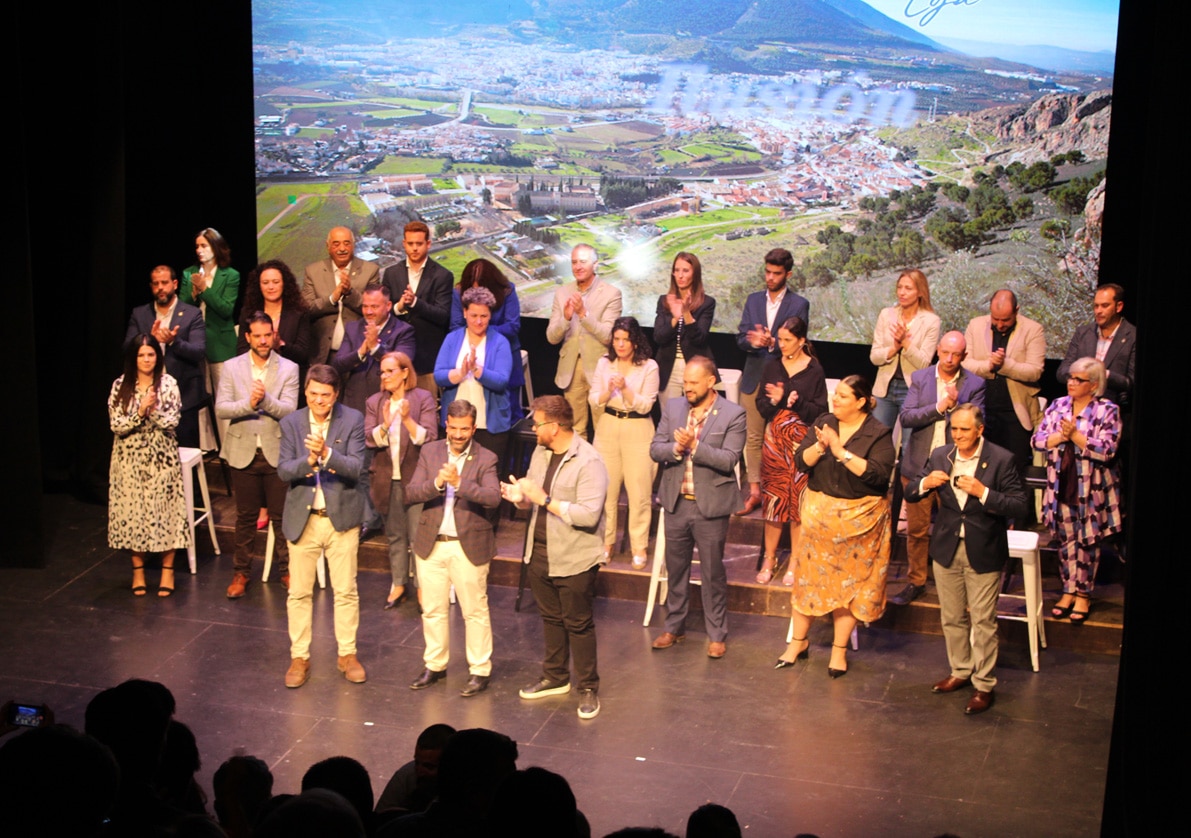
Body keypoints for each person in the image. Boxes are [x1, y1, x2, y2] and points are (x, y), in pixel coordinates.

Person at [904, 404, 1029, 715]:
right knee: (951, 616)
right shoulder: (941, 455)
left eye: (963, 429)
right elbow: (910, 491)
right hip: (947, 547)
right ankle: (960, 670)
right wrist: (925, 483)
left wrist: (983, 492)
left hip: (983, 548)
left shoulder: (1001, 459)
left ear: (979, 430)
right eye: (954, 429)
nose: (957, 435)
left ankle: (983, 684)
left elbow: (1019, 505)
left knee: (983, 621)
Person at [778, 375, 894, 677]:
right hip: (820, 520)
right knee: (808, 583)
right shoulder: (825, 420)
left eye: (843, 396)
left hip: (859, 523)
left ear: (861, 402)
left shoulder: (878, 433)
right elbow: (802, 462)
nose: (836, 400)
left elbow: (879, 477)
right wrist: (820, 446)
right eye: (836, 394)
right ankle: (798, 643)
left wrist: (841, 452)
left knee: (849, 588)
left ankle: (838, 651)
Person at [502, 396, 608, 719]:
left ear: (555, 426)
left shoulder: (588, 461)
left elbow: (589, 515)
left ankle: (588, 687)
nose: (533, 428)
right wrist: (520, 498)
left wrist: (544, 499)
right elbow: (532, 499)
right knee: (550, 618)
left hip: (575, 555)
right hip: (540, 550)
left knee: (578, 622)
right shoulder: (540, 452)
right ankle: (555, 675)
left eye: (537, 423)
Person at [650, 357, 747, 658]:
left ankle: (716, 633)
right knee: (676, 569)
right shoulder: (675, 407)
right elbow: (656, 448)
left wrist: (695, 446)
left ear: (710, 381)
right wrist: (676, 448)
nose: (687, 387)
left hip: (710, 507)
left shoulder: (734, 413)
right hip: (677, 503)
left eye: (693, 382)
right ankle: (674, 626)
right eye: (685, 382)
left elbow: (729, 459)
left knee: (712, 572)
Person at [278, 365, 367, 688]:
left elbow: (357, 467)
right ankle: (299, 657)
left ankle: (347, 654)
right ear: (305, 392)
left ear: (336, 395)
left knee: (345, 591)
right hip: (303, 520)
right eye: (313, 394)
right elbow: (285, 470)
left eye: (325, 395)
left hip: (340, 518)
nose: (319, 400)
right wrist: (309, 462)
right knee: (299, 593)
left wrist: (327, 454)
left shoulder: (352, 420)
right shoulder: (291, 422)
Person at [404, 400, 501, 696]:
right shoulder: (430, 451)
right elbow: (410, 493)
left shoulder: (486, 458)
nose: (458, 434)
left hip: (467, 545)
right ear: (447, 424)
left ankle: (479, 670)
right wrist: (436, 483)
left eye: (465, 429)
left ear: (473, 428)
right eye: (454, 428)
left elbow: (493, 497)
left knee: (474, 611)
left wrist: (459, 484)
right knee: (432, 609)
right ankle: (435, 664)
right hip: (432, 543)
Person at [890, 331, 986, 605]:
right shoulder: (921, 379)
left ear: (964, 356)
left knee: (955, 529)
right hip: (919, 465)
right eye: (945, 352)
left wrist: (955, 409)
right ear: (938, 351)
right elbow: (907, 416)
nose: (949, 359)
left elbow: (978, 425)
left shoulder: (974, 383)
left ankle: (953, 585)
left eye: (956, 354)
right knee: (917, 530)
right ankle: (916, 581)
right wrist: (939, 407)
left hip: (955, 471)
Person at [216, 312, 300, 599]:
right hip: (243, 450)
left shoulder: (289, 368)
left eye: (268, 335)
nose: (264, 341)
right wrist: (249, 404)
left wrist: (265, 401)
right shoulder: (231, 367)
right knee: (245, 517)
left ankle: (287, 570)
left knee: (281, 516)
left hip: (277, 449)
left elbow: (289, 410)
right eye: (258, 336)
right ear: (248, 337)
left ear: (274, 335)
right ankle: (241, 573)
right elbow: (222, 408)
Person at [1033, 357, 1123, 624]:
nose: (1070, 382)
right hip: (1060, 484)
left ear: (1093, 384)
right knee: (1065, 539)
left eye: (1077, 379)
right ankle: (1068, 590)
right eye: (1070, 378)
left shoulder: (1107, 410)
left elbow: (1107, 450)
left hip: (1091, 487)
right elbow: (1037, 440)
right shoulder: (1058, 406)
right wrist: (1061, 436)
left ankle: (1083, 594)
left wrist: (1076, 436)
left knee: (1087, 542)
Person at [108, 335, 190, 596]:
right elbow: (116, 425)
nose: (146, 359)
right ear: (134, 358)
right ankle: (138, 571)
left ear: (158, 356)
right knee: (134, 514)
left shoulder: (168, 384)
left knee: (166, 512)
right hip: (128, 461)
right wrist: (138, 412)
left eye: (151, 354)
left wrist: (151, 410)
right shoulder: (121, 386)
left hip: (160, 459)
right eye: (141, 355)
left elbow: (173, 421)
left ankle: (168, 571)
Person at [735, 248, 810, 515]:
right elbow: (740, 338)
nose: (770, 277)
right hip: (754, 377)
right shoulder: (754, 300)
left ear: (787, 274)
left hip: (783, 380)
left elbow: (799, 341)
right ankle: (754, 492)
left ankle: (779, 492)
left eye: (776, 273)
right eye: (767, 271)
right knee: (752, 437)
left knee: (780, 437)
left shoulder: (799, 304)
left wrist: (773, 344)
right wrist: (752, 341)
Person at [755, 316, 827, 587]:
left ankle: (796, 560)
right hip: (774, 442)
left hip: (801, 445)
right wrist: (775, 401)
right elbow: (762, 407)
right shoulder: (772, 367)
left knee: (797, 503)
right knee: (774, 502)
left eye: (787, 340)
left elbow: (821, 412)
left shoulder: (814, 371)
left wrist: (797, 404)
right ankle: (769, 558)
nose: (781, 344)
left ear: (801, 341)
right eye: (780, 339)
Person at [364, 351, 437, 609]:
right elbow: (370, 439)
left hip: (416, 479)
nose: (384, 376)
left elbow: (428, 438)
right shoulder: (375, 402)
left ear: (405, 372)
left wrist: (406, 419)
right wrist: (385, 425)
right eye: (382, 372)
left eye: (390, 371)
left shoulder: (422, 398)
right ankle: (398, 583)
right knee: (395, 534)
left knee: (418, 536)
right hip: (387, 478)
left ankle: (420, 586)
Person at [589, 316, 659, 569]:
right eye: (616, 339)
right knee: (606, 491)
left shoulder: (649, 366)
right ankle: (606, 544)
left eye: (625, 340)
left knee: (639, 492)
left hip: (638, 428)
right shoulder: (605, 363)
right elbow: (594, 399)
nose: (620, 345)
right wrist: (609, 390)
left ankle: (639, 546)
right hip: (608, 428)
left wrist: (626, 388)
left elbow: (646, 404)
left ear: (635, 342)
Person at [963, 289, 1045, 480]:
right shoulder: (976, 325)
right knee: (978, 471)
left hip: (1015, 414)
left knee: (1012, 473)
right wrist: (989, 365)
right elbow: (965, 364)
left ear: (1016, 311)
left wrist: (1005, 365)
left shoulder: (1033, 329)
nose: (1000, 325)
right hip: (981, 410)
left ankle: (1009, 510)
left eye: (1005, 320)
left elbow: (1035, 371)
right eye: (995, 319)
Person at [124, 265, 206, 449]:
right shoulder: (140, 314)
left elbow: (198, 351)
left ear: (175, 284)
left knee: (185, 452)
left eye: (164, 283)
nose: (160, 287)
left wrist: (173, 342)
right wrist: (149, 339)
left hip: (184, 394)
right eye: (156, 284)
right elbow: (127, 348)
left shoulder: (192, 314)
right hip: (147, 397)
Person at [546, 244, 623, 438]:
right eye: (574, 262)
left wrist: (583, 314)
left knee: (602, 429)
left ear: (595, 264)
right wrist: (565, 319)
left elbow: (607, 336)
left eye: (583, 261)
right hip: (570, 370)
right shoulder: (562, 293)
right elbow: (552, 337)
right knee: (575, 429)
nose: (577, 266)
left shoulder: (611, 294)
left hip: (600, 368)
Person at [435, 285, 514, 466]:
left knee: (487, 476)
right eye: (474, 316)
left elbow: (502, 381)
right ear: (464, 313)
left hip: (490, 426)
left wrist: (477, 370)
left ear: (490, 315)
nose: (479, 321)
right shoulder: (452, 338)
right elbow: (438, 376)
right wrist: (461, 372)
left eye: (484, 316)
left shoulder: (500, 342)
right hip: (457, 426)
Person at [180, 227, 241, 450]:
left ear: (215, 247)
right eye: (197, 246)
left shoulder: (231, 275)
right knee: (201, 396)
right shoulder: (189, 273)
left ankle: (228, 448)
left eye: (204, 245)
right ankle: (208, 448)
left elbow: (226, 309)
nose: (199, 250)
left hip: (220, 344)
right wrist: (194, 293)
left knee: (223, 397)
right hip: (195, 343)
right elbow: (183, 308)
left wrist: (205, 289)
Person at [382, 221, 455, 394]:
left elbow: (443, 315)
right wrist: (399, 307)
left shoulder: (442, 275)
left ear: (428, 244)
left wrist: (415, 303)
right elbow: (383, 314)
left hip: (426, 358)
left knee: (425, 412)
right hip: (395, 357)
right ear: (404, 244)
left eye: (419, 244)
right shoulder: (391, 273)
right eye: (410, 244)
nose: (414, 248)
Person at [450, 258, 525, 419]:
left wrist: (481, 329)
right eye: (473, 287)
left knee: (510, 412)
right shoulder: (458, 291)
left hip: (504, 355)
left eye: (482, 288)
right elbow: (455, 326)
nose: (477, 292)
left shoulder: (507, 290)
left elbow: (512, 325)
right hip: (471, 355)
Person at [869, 268, 941, 435]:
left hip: (913, 389)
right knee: (877, 440)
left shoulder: (931, 321)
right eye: (899, 287)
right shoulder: (886, 315)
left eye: (908, 288)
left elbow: (924, 362)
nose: (902, 293)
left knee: (910, 445)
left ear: (920, 292)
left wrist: (906, 343)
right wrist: (893, 348)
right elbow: (874, 356)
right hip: (884, 388)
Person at [333, 284, 417, 414]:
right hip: (355, 403)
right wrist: (360, 352)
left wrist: (375, 348)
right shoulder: (353, 328)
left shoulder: (403, 330)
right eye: (365, 306)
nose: (369, 312)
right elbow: (338, 364)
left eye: (374, 307)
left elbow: (403, 364)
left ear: (388, 306)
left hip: (387, 402)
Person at [302, 227, 378, 364]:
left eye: (347, 243)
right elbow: (307, 309)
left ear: (353, 245)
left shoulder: (370, 271)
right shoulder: (313, 271)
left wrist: (350, 293)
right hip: (322, 355)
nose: (342, 248)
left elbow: (373, 310)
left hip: (357, 355)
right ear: (328, 246)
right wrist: (332, 299)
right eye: (336, 244)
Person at [1057, 283, 1136, 409]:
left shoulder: (1133, 336)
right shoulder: (1083, 333)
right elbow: (1062, 372)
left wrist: (1103, 375)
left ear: (1119, 306)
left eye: (1105, 306)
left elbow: (1131, 382)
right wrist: (1082, 376)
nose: (1098, 311)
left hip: (1113, 410)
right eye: (1096, 306)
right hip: (1079, 407)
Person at [653, 252, 716, 402]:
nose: (680, 275)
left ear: (695, 274)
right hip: (668, 367)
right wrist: (675, 317)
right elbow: (658, 337)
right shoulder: (664, 301)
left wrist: (686, 313)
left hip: (695, 368)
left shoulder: (707, 303)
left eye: (685, 271)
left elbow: (699, 339)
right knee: (671, 417)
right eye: (677, 270)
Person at [236, 259, 311, 378]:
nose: (271, 287)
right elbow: (241, 350)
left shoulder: (299, 312)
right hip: (256, 377)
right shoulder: (248, 312)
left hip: (290, 377)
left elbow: (303, 354)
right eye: (265, 282)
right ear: (259, 285)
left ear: (284, 283)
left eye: (276, 282)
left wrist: (281, 345)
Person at [374, 723, 456, 817]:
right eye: (417, 763)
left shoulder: (468, 788)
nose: (419, 771)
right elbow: (380, 819)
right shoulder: (406, 776)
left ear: (451, 766)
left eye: (429, 766)